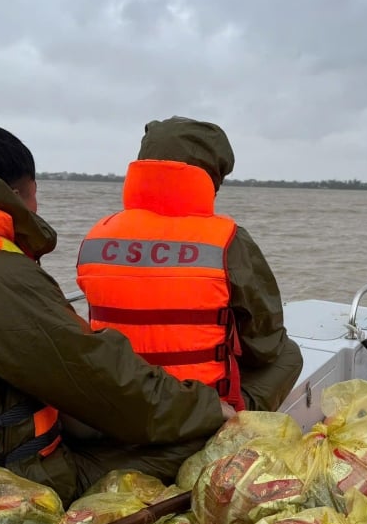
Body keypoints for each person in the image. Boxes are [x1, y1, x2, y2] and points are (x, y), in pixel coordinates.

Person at [0, 121, 235, 503]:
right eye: (33, 194)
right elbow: (101, 379)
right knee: (195, 440)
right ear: (13, 194)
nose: (36, 206)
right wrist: (205, 407)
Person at [76, 116, 303, 413]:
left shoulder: (97, 235)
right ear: (211, 176)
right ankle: (238, 417)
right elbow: (264, 345)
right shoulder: (227, 239)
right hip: (200, 409)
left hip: (121, 398)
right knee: (288, 354)